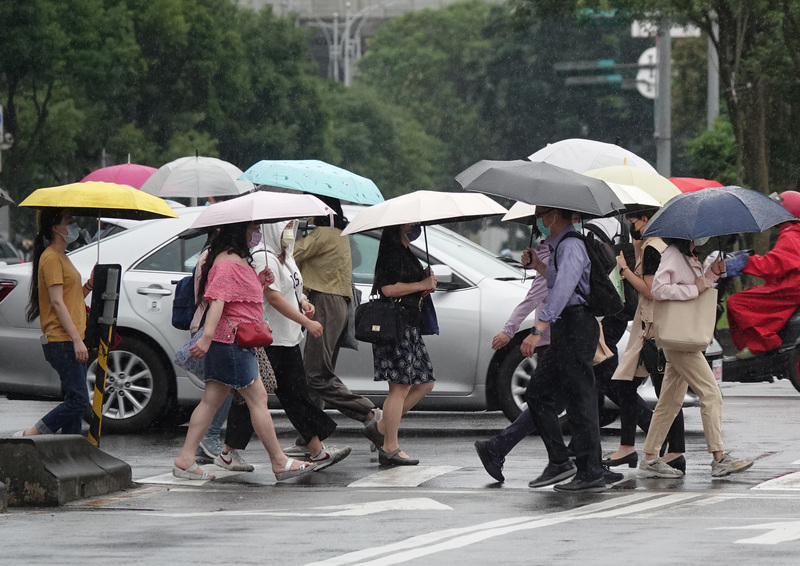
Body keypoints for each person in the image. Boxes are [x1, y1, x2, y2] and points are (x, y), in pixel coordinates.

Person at [172, 221, 315, 481]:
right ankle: (279, 461)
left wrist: (258, 282)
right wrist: (205, 338)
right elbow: (218, 302)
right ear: (238, 232)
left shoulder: (234, 259)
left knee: (211, 402)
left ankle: (185, 459)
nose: (255, 235)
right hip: (232, 342)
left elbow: (238, 298)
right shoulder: (228, 261)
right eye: (251, 230)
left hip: (229, 342)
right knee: (257, 400)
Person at [216, 220, 351, 472]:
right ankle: (313, 450)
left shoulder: (286, 256)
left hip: (286, 337)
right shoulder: (261, 257)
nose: (290, 232)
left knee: (278, 396)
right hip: (268, 338)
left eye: (293, 226)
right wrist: (306, 322)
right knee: (262, 397)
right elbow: (274, 297)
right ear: (273, 229)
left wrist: (304, 302)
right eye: (286, 226)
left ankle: (231, 451)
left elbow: (291, 289)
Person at [640, 238, 753, 478]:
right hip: (680, 338)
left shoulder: (689, 257)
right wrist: (696, 287)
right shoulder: (672, 253)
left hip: (683, 336)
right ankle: (719, 457)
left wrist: (712, 273)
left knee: (669, 402)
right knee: (710, 394)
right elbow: (658, 289)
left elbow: (697, 287)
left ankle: (650, 458)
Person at [522, 206, 606, 492]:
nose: (541, 220)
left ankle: (591, 472)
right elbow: (559, 282)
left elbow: (564, 291)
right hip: (566, 326)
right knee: (537, 392)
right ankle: (560, 460)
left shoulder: (571, 246)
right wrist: (538, 266)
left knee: (579, 399)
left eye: (543, 214)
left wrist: (538, 330)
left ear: (555, 216)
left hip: (576, 325)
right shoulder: (559, 247)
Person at [292, 197, 381, 455]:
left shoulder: (324, 234)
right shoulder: (341, 232)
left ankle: (370, 413)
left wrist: (291, 228)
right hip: (336, 304)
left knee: (317, 375)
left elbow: (290, 255)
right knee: (315, 373)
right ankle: (308, 438)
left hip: (325, 303)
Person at [606, 210, 686, 474]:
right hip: (648, 327)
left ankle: (674, 451)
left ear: (645, 220)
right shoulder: (660, 246)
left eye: (633, 220)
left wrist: (625, 271)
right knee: (630, 386)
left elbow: (650, 290)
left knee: (665, 391)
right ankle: (631, 447)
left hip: (652, 329)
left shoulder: (655, 250)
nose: (631, 226)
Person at [474, 241, 551, 482]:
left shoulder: (556, 253)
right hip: (555, 341)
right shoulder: (552, 255)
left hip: (562, 339)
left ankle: (574, 459)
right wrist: (510, 330)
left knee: (555, 403)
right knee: (560, 402)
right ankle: (575, 460)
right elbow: (534, 299)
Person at [15, 209, 93, 437]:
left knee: (74, 401)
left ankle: (70, 450)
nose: (74, 224)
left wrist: (88, 286)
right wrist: (77, 340)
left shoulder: (62, 256)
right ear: (56, 228)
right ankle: (32, 434)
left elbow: (70, 298)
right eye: (69, 221)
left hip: (71, 339)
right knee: (79, 401)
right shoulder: (50, 258)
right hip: (62, 340)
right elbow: (57, 304)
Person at [365, 224, 436, 465]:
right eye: (410, 222)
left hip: (410, 325)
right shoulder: (391, 251)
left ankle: (382, 427)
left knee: (425, 382)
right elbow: (388, 289)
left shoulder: (406, 252)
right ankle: (390, 446)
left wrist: (424, 281)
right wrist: (421, 285)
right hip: (395, 327)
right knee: (400, 387)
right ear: (399, 226)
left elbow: (407, 287)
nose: (415, 226)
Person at [727, 190, 800, 359]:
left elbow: (772, 266)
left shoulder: (791, 235)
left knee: (737, 302)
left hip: (790, 287)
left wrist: (746, 262)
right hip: (789, 284)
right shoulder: (794, 232)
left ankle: (764, 342)